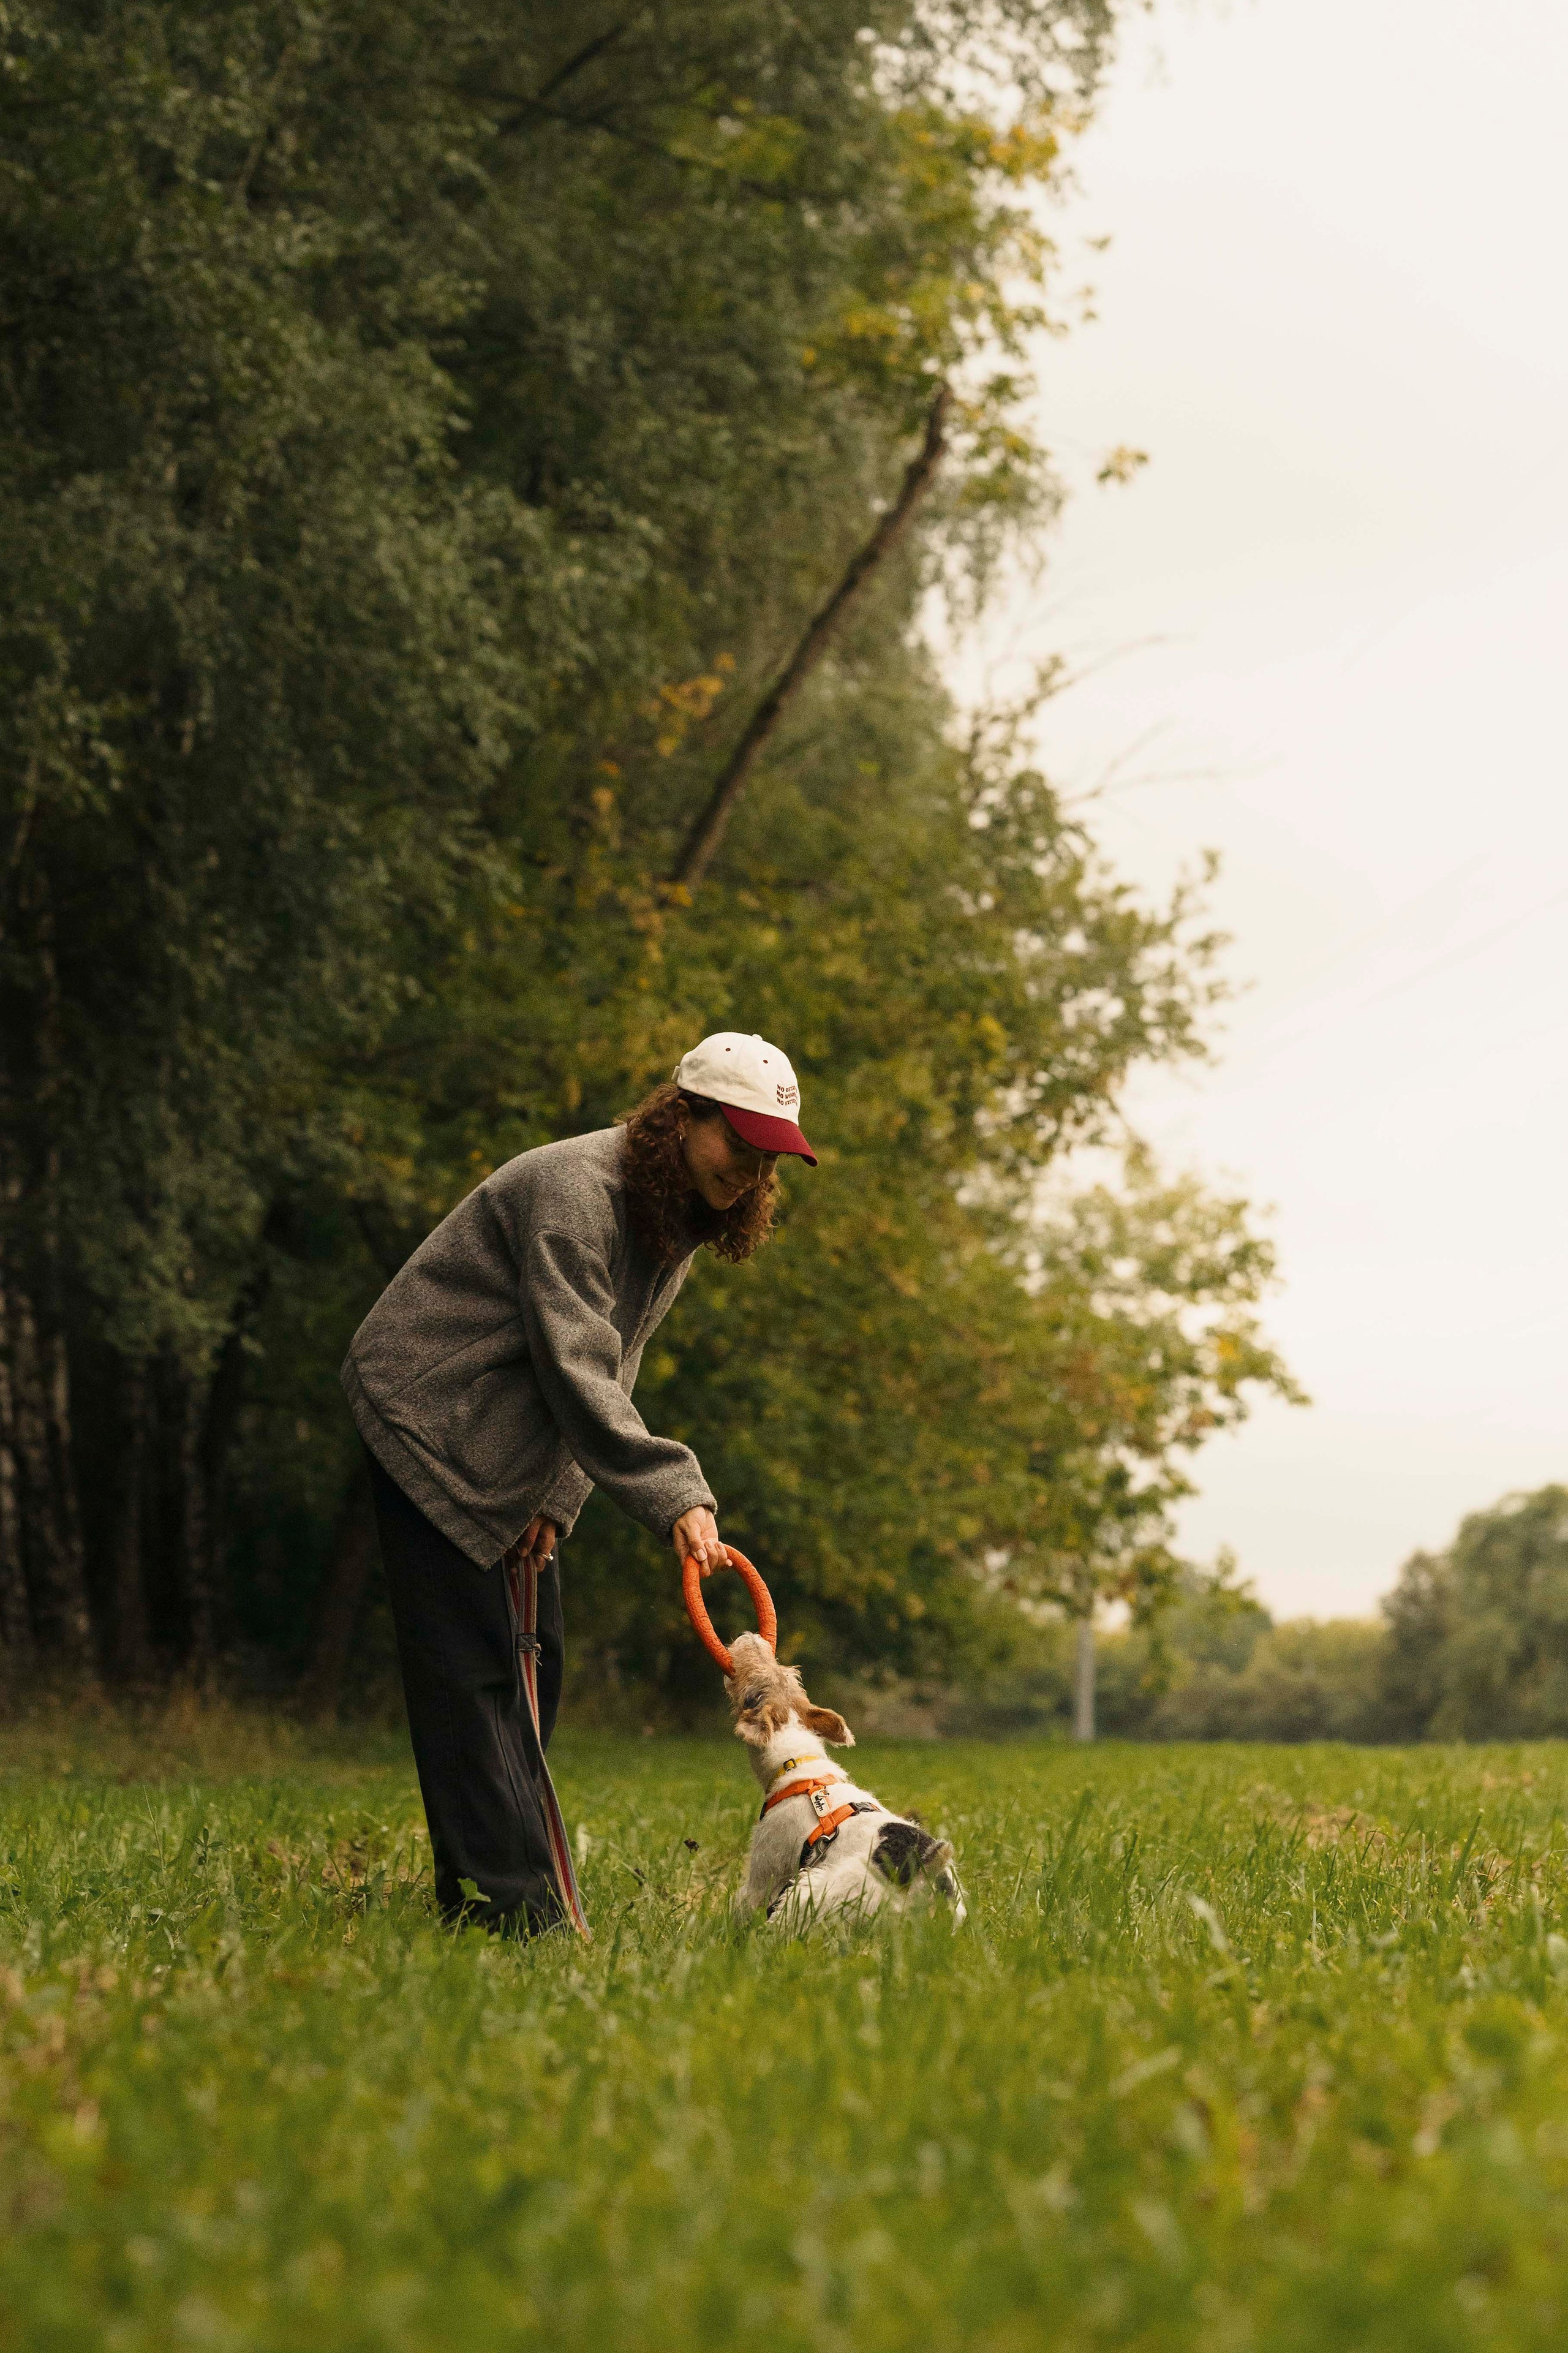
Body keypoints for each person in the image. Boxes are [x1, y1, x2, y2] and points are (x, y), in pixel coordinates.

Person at [341, 1031, 817, 1932]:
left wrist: (555, 1502)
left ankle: (488, 1890)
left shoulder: (672, 1219)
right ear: (685, 1114)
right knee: (472, 1675)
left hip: (506, 1426)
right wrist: (676, 1490)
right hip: (429, 1406)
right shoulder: (572, 1191)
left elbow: (616, 1359)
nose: (752, 1170)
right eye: (738, 1142)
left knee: (534, 1669)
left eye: (769, 1157)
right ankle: (512, 1916)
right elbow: (575, 1365)